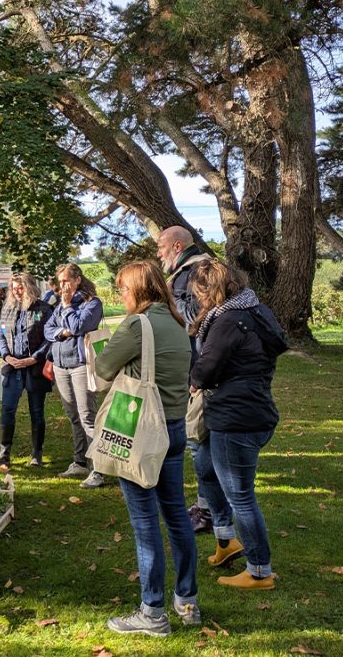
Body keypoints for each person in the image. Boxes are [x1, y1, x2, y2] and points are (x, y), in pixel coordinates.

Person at [93, 261, 199, 636]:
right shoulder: (177, 322)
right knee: (176, 516)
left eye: (122, 289)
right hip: (173, 427)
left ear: (138, 290)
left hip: (140, 430)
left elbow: (103, 370)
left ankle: (152, 611)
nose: (120, 296)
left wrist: (101, 347)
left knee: (144, 521)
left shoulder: (138, 325)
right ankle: (187, 600)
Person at [189, 260, 285, 590]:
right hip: (251, 408)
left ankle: (260, 570)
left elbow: (205, 370)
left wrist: (194, 378)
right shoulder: (255, 309)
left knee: (241, 496)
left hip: (236, 418)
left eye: (198, 293)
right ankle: (226, 541)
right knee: (204, 466)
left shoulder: (228, 319)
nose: (198, 300)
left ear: (208, 290)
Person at [158, 225, 215, 534]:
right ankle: (206, 503)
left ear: (177, 247)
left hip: (198, 370)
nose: (158, 253)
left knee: (198, 439)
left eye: (161, 248)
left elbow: (195, 321)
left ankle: (207, 510)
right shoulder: (191, 271)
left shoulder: (191, 274)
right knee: (199, 439)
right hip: (199, 367)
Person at [43, 263, 105, 488]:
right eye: (60, 282)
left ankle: (97, 469)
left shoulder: (92, 303)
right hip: (61, 365)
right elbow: (48, 330)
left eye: (66, 281)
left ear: (77, 279)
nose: (62, 286)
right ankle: (80, 461)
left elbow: (80, 326)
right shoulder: (59, 305)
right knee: (73, 416)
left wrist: (68, 307)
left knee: (87, 416)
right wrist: (63, 331)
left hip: (80, 365)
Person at [0, 273, 53, 469]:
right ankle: (4, 454)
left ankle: (37, 454)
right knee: (7, 410)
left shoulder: (43, 310)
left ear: (30, 287)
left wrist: (34, 358)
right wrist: (7, 357)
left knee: (36, 412)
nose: (16, 291)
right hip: (13, 368)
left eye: (20, 287)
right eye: (13, 287)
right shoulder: (7, 309)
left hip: (34, 368)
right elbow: (1, 336)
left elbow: (49, 339)